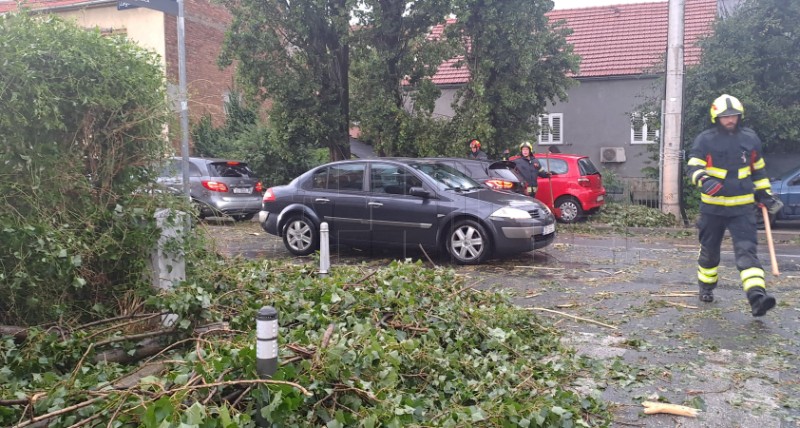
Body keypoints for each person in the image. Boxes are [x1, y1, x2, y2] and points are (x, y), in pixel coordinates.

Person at [686, 94, 783, 316]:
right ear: (716, 117)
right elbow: (692, 167)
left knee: (747, 252)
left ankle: (757, 297)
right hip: (713, 209)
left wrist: (765, 194)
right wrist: (704, 180)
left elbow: (758, 170)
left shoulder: (750, 139)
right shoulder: (705, 140)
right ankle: (706, 287)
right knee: (710, 253)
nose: (730, 120)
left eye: (734, 116)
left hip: (743, 209)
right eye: (725, 116)